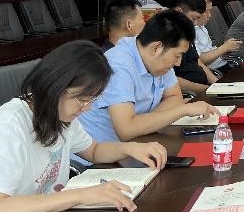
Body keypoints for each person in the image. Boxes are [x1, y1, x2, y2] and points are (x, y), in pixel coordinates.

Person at [0, 41, 167, 212]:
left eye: (93, 99)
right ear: (56, 86)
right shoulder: (7, 126)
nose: (87, 108)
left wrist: (130, 148)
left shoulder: (60, 115)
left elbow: (93, 150)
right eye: (83, 99)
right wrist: (81, 195)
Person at [78, 9, 219, 144]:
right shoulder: (118, 65)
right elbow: (126, 130)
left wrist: (143, 123)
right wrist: (183, 110)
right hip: (103, 153)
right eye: (177, 55)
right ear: (157, 48)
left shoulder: (158, 60)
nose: (178, 63)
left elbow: (174, 97)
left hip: (141, 142)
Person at [167, 0, 219, 94]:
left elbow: (196, 61)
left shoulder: (185, 32)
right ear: (179, 11)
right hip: (191, 93)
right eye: (193, 18)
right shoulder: (164, 36)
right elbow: (169, 79)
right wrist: (207, 90)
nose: (195, 24)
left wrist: (217, 84)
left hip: (203, 88)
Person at [193, 0, 242, 73]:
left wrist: (226, 48)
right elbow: (200, 61)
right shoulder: (191, 32)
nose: (209, 15)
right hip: (215, 70)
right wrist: (224, 48)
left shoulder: (202, 26)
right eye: (207, 11)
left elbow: (209, 50)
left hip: (222, 63)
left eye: (210, 11)